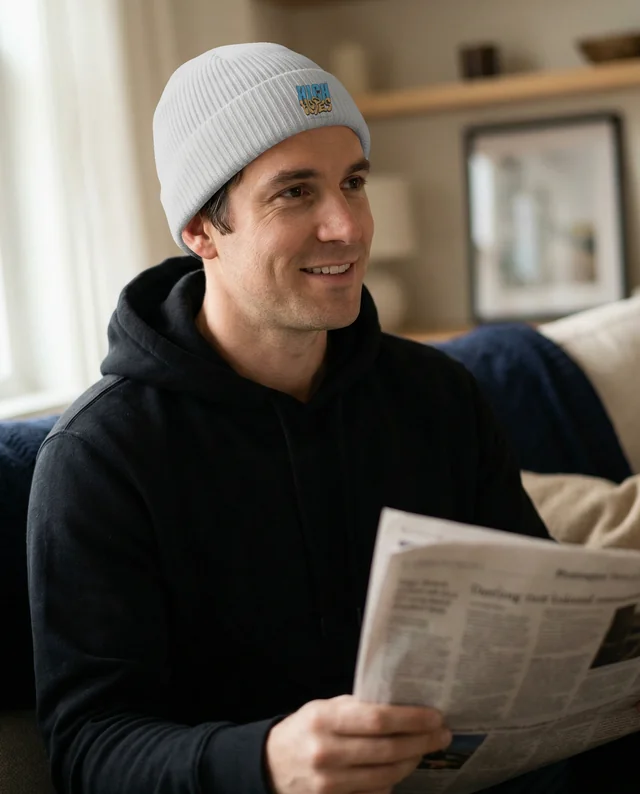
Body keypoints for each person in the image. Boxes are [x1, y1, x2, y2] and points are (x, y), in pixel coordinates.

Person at [27, 43, 552, 794]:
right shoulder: (101, 455)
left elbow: (540, 622)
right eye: (295, 193)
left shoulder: (439, 395)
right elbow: (89, 746)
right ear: (201, 231)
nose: (346, 226)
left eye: (353, 183)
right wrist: (267, 760)